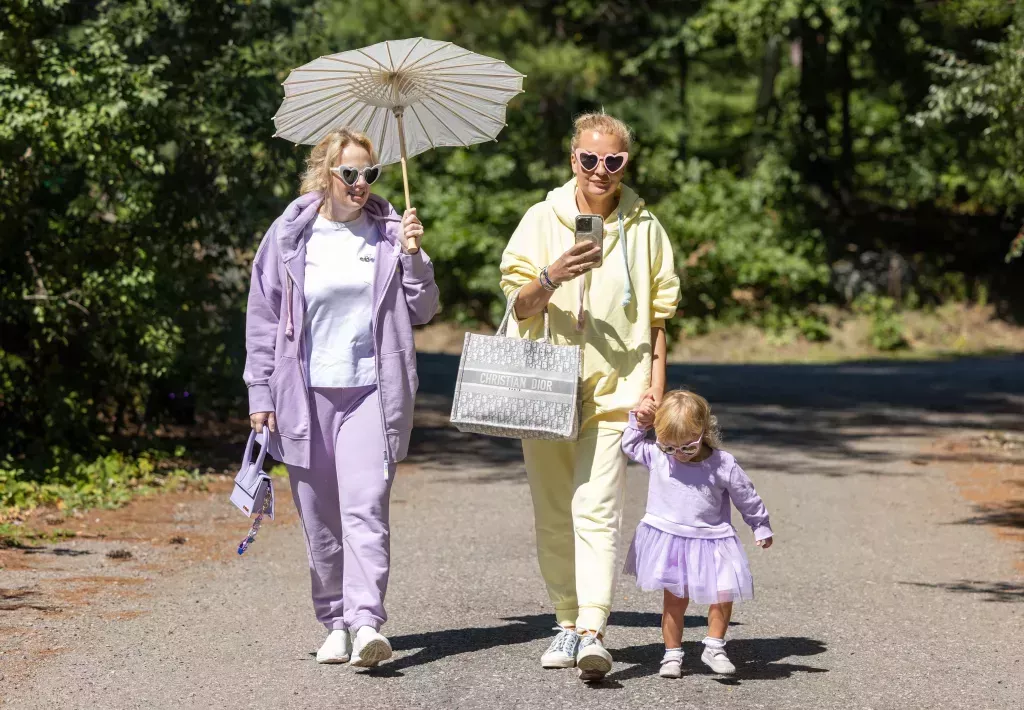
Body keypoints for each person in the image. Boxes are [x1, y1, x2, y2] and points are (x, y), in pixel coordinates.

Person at [243, 128, 439, 667]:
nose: (359, 184)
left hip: (372, 393)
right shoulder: (289, 236)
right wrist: (260, 392)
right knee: (320, 518)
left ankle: (367, 621)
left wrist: (415, 257)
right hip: (301, 394)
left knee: (366, 507)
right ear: (325, 174)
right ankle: (333, 620)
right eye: (349, 173)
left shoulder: (390, 234)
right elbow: (262, 318)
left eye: (368, 174)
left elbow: (422, 310)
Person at [499, 112, 681, 681]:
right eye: (589, 159)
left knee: (596, 509)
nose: (600, 171)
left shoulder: (646, 227)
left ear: (627, 163)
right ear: (571, 159)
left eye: (613, 161)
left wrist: (654, 390)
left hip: (617, 391)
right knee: (553, 512)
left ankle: (593, 628)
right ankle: (564, 618)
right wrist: (552, 276)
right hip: (543, 385)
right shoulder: (539, 218)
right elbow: (518, 305)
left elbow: (658, 320)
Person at [622, 389, 774, 679]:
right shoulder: (658, 456)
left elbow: (746, 496)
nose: (678, 454)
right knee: (674, 601)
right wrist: (639, 420)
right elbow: (630, 444)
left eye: (687, 447)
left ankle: (714, 646)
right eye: (670, 447)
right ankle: (671, 655)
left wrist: (760, 524)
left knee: (723, 594)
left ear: (704, 431)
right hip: (672, 541)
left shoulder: (722, 464)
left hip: (713, 540)